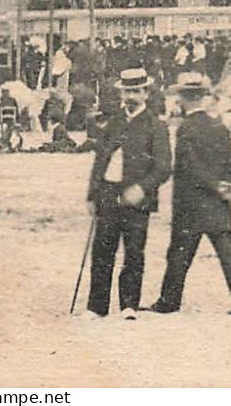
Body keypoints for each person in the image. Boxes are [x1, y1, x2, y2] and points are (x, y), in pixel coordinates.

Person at [150, 73, 231, 315]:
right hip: (218, 202)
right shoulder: (219, 126)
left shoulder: (186, 128)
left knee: (179, 254)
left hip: (191, 202)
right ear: (204, 97)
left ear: (183, 99)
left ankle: (168, 301)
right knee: (228, 253)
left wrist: (213, 185)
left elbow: (189, 167)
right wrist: (229, 184)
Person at [86, 68, 172, 319]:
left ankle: (129, 305)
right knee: (102, 250)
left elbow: (164, 167)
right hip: (108, 192)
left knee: (133, 252)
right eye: (127, 91)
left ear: (146, 93)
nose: (131, 96)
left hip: (137, 197)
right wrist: (92, 195)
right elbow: (100, 161)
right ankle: (96, 307)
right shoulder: (113, 122)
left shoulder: (156, 126)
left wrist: (142, 188)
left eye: (136, 91)